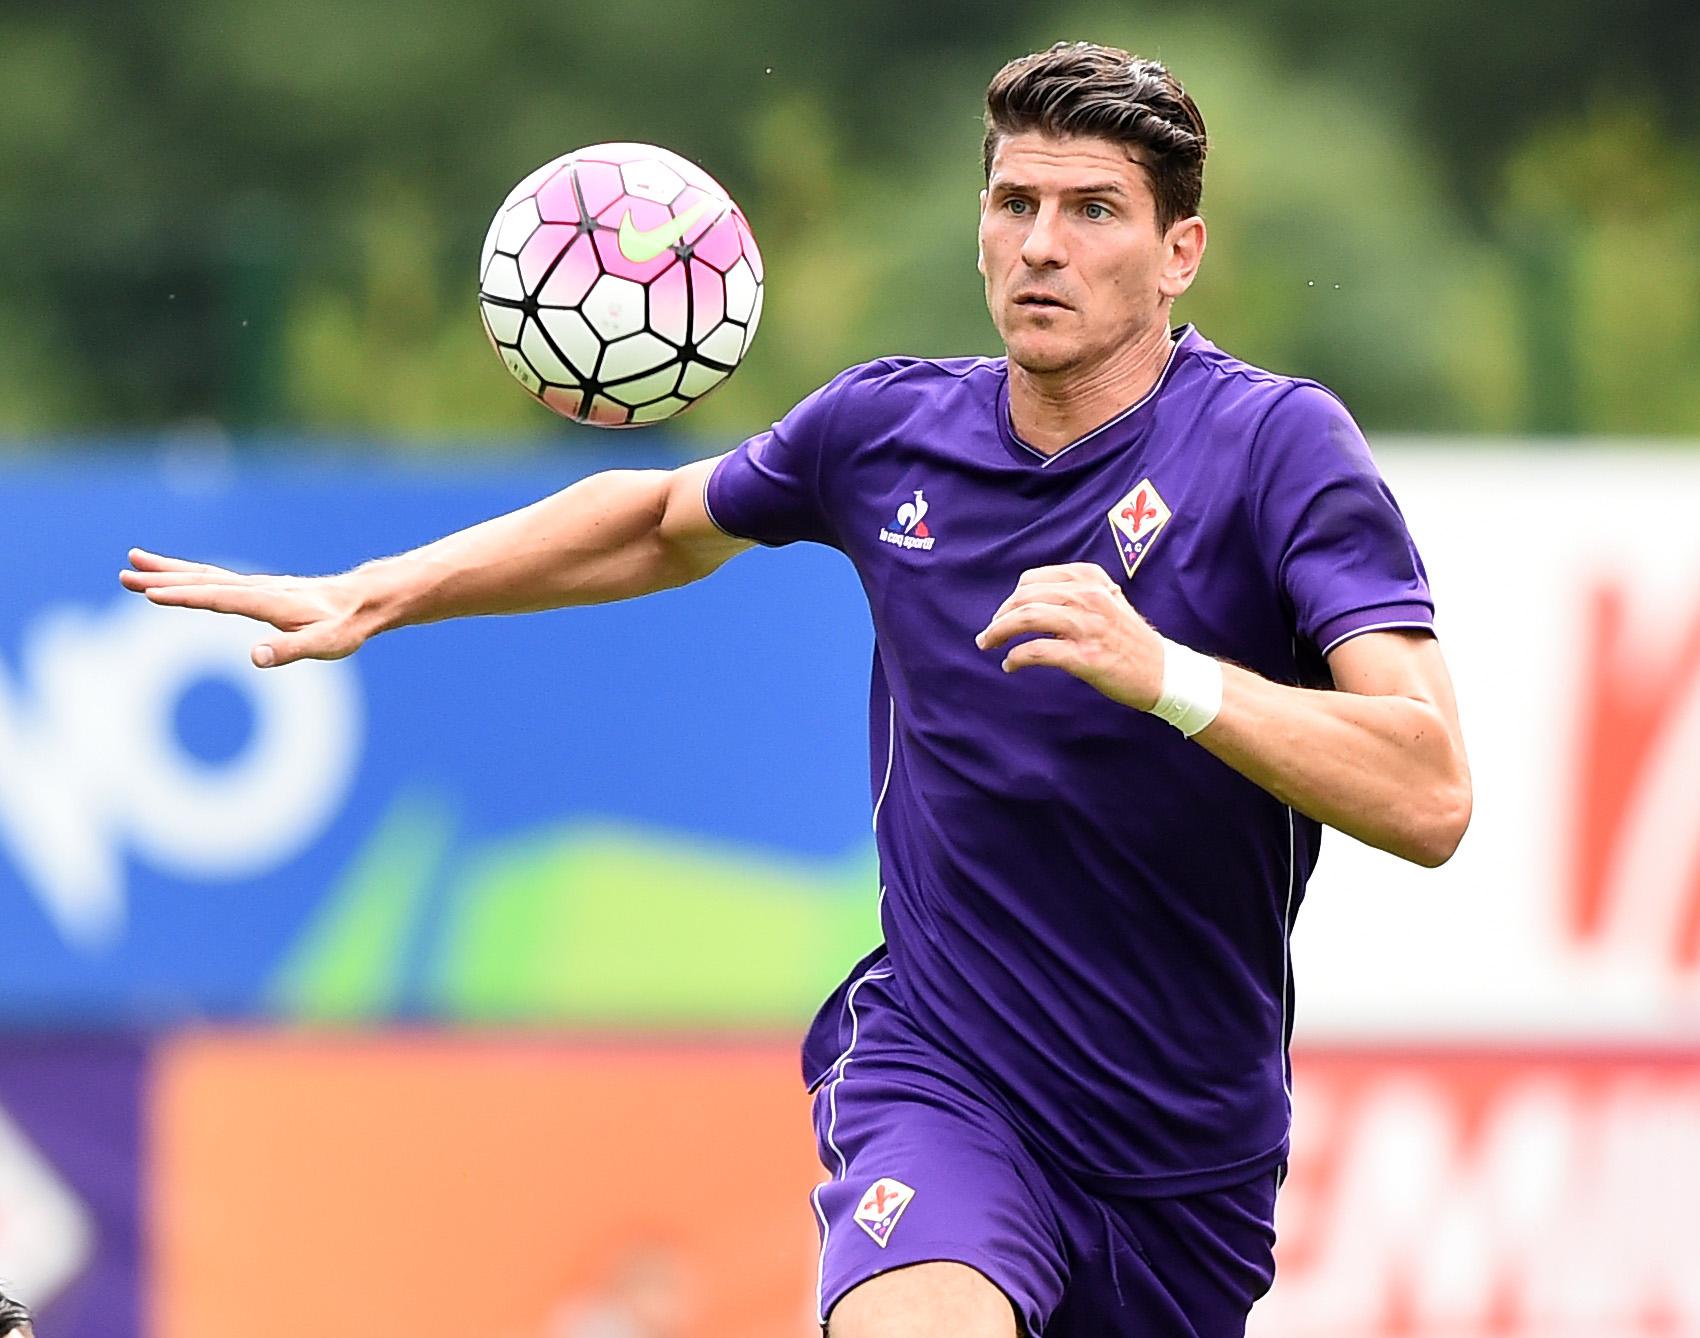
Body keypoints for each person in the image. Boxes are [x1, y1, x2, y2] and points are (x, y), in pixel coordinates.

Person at [122, 41, 1471, 1338]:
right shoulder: (887, 431)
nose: (1042, 244)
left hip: (1185, 1147)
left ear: (1181, 252)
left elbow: (1429, 791)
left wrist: (1165, 674)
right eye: (1014, 203)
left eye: (1093, 210)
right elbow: (662, 521)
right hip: (945, 1074)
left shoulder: (1276, 447)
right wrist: (384, 588)